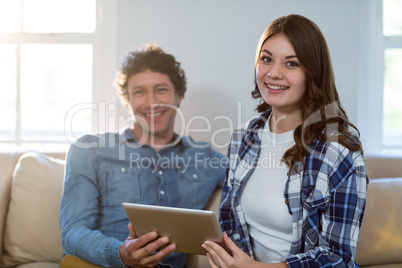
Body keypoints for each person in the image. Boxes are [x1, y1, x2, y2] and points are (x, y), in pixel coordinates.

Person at [201, 14, 367, 267]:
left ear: (313, 73)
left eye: (291, 64)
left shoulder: (339, 150)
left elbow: (338, 258)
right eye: (266, 59)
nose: (273, 73)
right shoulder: (242, 138)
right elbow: (229, 225)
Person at [59, 44, 227, 268]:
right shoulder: (89, 149)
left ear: (179, 95)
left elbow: (257, 189)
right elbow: (72, 232)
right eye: (139, 92)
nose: (151, 102)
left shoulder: (206, 157)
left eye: (161, 89)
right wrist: (120, 253)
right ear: (127, 101)